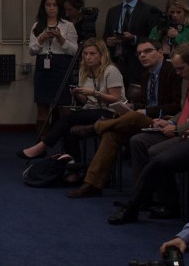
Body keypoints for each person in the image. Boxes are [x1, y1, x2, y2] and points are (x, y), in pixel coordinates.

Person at [65, 39, 181, 201]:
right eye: (139, 53)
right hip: (148, 120)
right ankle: (93, 184)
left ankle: (95, 127)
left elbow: (177, 106)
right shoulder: (146, 75)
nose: (142, 56)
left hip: (167, 122)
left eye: (147, 51)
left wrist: (143, 110)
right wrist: (132, 106)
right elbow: (147, 103)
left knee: (133, 116)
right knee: (111, 134)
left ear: (160, 53)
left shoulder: (175, 71)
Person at [106, 43, 189, 220]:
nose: (178, 73)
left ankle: (169, 204)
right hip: (180, 128)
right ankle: (147, 199)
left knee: (156, 151)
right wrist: (170, 121)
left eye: (181, 68)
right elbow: (183, 109)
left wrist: (178, 129)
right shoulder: (188, 80)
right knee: (138, 141)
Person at [18, 38, 125, 168]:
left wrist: (93, 93)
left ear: (102, 55)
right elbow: (86, 101)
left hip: (111, 112)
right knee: (68, 130)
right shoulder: (84, 71)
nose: (88, 57)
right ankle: (74, 167)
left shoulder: (111, 70)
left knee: (68, 118)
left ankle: (41, 147)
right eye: (85, 54)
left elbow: (116, 99)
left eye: (92, 54)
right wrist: (77, 94)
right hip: (92, 109)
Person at [28, 0, 79, 133]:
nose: (51, 8)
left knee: (63, 107)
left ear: (59, 7)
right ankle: (42, 143)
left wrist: (60, 38)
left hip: (62, 66)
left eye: (54, 5)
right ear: (43, 7)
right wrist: (42, 38)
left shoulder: (68, 25)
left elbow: (75, 51)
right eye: (48, 5)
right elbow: (32, 50)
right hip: (43, 66)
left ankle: (66, 145)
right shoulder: (37, 25)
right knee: (42, 107)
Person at [102, 0, 161, 81]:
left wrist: (134, 38)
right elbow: (105, 36)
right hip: (115, 63)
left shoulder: (149, 11)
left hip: (137, 64)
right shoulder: (113, 11)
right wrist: (108, 41)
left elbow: (154, 40)